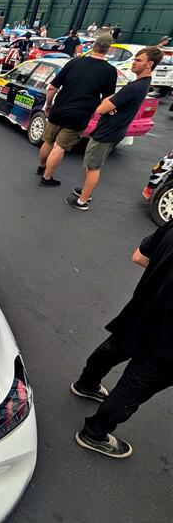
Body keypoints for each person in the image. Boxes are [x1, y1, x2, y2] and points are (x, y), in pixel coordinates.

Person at [71, 223, 173, 459]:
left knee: (112, 349)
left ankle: (86, 384)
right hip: (167, 343)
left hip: (141, 312)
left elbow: (139, 257)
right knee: (135, 386)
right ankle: (94, 434)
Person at [65, 47, 164, 211]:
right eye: (135, 59)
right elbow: (111, 101)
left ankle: (83, 200)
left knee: (93, 166)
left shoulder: (133, 87)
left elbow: (100, 109)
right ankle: (85, 191)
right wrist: (111, 101)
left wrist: (106, 103)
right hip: (115, 130)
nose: (134, 63)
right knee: (93, 164)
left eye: (139, 60)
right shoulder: (141, 84)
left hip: (107, 132)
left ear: (149, 64)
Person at [37, 35, 117, 186]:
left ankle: (41, 167)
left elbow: (52, 87)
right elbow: (107, 98)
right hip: (80, 114)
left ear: (93, 45)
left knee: (48, 141)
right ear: (109, 49)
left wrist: (48, 105)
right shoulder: (109, 71)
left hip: (59, 108)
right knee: (59, 147)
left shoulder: (74, 62)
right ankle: (46, 178)